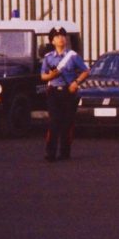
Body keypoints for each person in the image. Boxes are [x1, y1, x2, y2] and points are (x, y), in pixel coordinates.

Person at [40, 27, 90, 162]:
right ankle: (50, 153)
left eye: (62, 36)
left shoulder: (73, 56)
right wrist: (51, 75)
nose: (61, 39)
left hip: (69, 92)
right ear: (52, 41)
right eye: (57, 37)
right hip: (54, 92)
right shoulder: (48, 58)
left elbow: (85, 71)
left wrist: (76, 82)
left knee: (67, 122)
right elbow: (43, 76)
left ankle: (65, 152)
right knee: (54, 121)